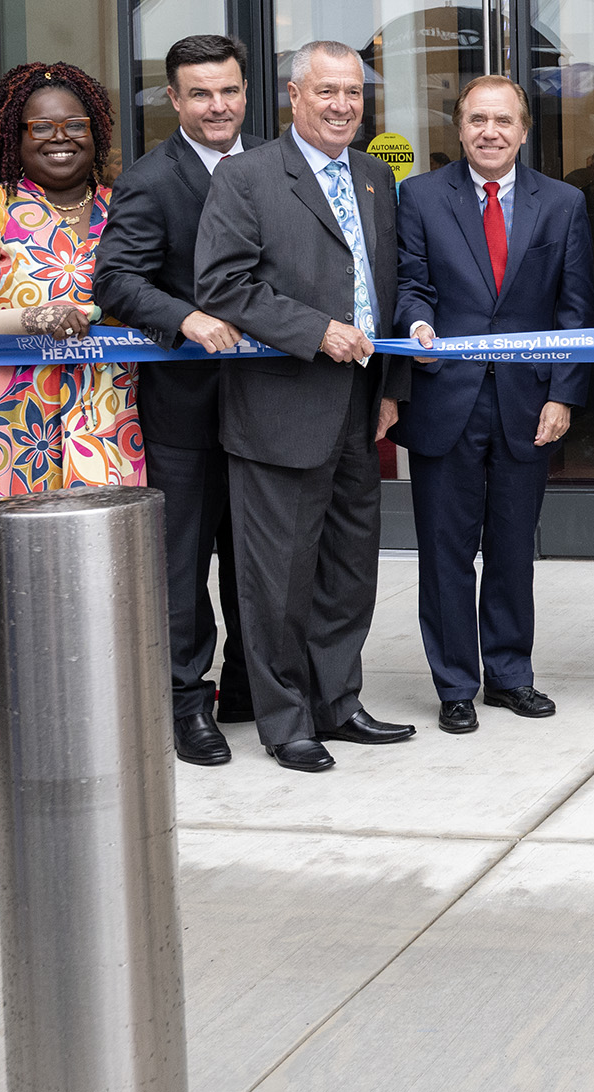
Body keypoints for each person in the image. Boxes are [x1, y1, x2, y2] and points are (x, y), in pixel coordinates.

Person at [194, 40, 414, 773]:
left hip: (360, 406)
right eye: (327, 91)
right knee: (278, 582)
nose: (343, 105)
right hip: (280, 411)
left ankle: (338, 703)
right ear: (293, 96)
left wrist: (392, 387)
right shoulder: (247, 177)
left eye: (353, 92)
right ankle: (285, 720)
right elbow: (222, 285)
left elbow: (385, 288)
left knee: (350, 570)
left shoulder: (375, 176)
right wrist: (315, 330)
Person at [396, 76, 594, 735]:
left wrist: (563, 393)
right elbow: (410, 284)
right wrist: (417, 326)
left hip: (527, 403)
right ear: (459, 127)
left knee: (512, 549)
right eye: (478, 119)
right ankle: (455, 684)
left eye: (503, 121)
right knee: (445, 552)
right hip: (443, 397)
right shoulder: (420, 197)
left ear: (523, 130)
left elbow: (575, 309)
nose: (490, 132)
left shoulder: (562, 203)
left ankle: (510, 675)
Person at [0, 61, 145, 612]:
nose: (60, 138)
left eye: (75, 125)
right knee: (25, 587)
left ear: (97, 133)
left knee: (108, 581)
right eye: (40, 127)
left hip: (112, 415)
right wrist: (31, 319)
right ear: (13, 136)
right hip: (9, 423)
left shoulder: (126, 210)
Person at [94, 33, 261, 766]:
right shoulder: (149, 180)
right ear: (174, 99)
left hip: (271, 403)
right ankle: (185, 701)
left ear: (246, 92)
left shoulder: (275, 165)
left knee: (259, 556)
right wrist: (184, 317)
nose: (217, 106)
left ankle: (252, 687)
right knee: (183, 565)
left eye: (228, 90)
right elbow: (115, 279)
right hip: (186, 409)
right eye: (200, 94)